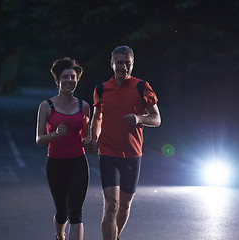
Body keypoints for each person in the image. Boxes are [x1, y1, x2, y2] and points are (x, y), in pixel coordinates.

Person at [89, 46, 161, 240]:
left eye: (127, 63)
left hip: (132, 153)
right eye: (119, 63)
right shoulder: (102, 89)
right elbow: (97, 118)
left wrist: (139, 118)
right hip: (108, 152)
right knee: (111, 204)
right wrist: (94, 138)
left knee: (125, 205)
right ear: (112, 64)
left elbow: (156, 119)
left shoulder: (142, 87)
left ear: (132, 64)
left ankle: (116, 235)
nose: (124, 67)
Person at [36, 57, 90, 240]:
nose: (70, 80)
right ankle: (60, 236)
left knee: (76, 212)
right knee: (62, 212)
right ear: (58, 80)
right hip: (56, 164)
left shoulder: (84, 106)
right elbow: (39, 140)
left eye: (73, 77)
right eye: (65, 77)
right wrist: (55, 135)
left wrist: (91, 142)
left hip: (78, 163)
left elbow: (86, 138)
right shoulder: (46, 106)